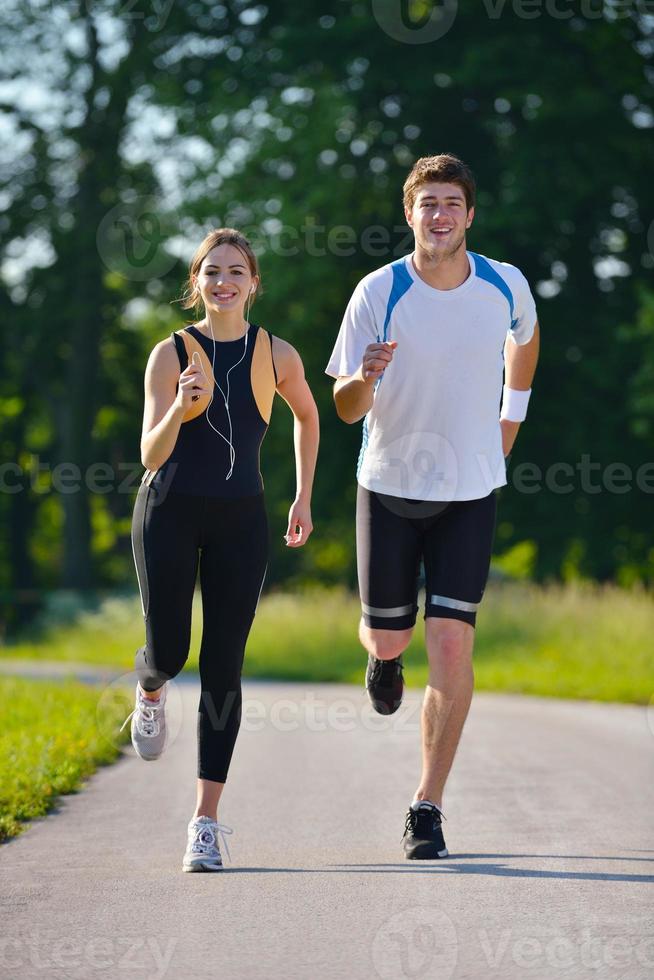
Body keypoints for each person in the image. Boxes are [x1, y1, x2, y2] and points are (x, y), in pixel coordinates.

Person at [325, 154, 539, 859]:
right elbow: (347, 408)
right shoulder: (378, 291)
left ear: (469, 214)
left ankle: (427, 805)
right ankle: (385, 661)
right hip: (387, 486)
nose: (439, 215)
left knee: (451, 641)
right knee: (389, 637)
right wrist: (363, 376)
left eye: (451, 203)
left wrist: (510, 421)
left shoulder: (504, 284)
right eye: (427, 204)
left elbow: (526, 341)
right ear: (409, 213)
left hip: (471, 490)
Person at [122, 227, 319, 871]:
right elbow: (150, 456)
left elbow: (308, 416)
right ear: (196, 283)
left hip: (242, 520)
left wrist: (301, 496)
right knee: (173, 653)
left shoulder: (276, 353)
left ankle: (204, 822)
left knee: (224, 665)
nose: (224, 281)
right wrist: (180, 408)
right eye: (212, 272)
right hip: (169, 510)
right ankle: (149, 686)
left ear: (253, 282)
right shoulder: (169, 352)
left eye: (236, 271)